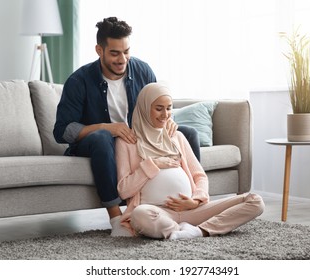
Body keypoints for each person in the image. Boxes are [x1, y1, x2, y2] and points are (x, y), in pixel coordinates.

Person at [53, 17, 200, 237]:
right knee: (103, 138)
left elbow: (156, 105)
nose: (122, 59)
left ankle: (192, 204)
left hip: (135, 139)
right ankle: (116, 218)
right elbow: (63, 131)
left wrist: (167, 121)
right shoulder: (79, 80)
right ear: (99, 50)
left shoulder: (142, 71)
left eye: (126, 51)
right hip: (95, 142)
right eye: (114, 53)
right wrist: (107, 127)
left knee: (186, 133)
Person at [115, 83, 265, 239]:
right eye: (159, 109)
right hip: (158, 213)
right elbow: (124, 189)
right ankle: (177, 229)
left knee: (255, 201)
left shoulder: (177, 137)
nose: (165, 115)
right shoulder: (127, 143)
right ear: (145, 109)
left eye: (169, 108)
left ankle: (198, 231)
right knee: (139, 214)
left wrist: (195, 201)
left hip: (192, 210)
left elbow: (199, 176)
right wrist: (153, 165)